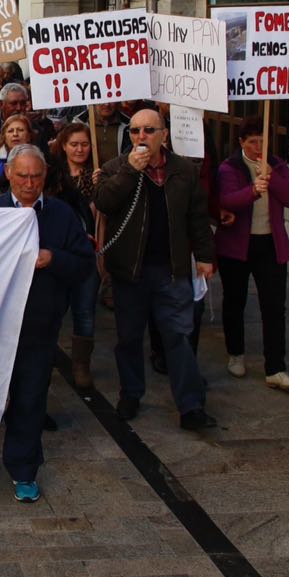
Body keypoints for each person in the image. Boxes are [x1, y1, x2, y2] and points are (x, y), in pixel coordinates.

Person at [0, 145, 95, 500]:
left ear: (45, 176)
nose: (29, 184)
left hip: (38, 326)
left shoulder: (61, 216)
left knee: (30, 398)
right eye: (22, 176)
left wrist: (54, 258)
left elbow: (84, 264)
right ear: (8, 174)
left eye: (36, 176)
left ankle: (23, 468)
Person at [93, 109, 217, 431]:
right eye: (134, 131)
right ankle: (131, 394)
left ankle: (191, 406)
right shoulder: (114, 168)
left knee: (179, 336)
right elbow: (104, 203)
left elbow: (197, 218)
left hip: (171, 270)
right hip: (130, 272)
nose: (141, 137)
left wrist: (204, 255)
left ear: (164, 134)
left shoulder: (184, 171)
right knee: (130, 337)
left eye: (149, 130)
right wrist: (129, 173)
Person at [216, 116, 289, 390]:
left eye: (262, 141)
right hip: (237, 245)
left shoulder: (276, 165)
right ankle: (236, 354)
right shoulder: (230, 167)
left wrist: (272, 177)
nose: (258, 147)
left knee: (274, 305)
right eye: (253, 142)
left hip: (269, 244)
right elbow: (226, 199)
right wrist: (253, 190)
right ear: (241, 142)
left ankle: (275, 367)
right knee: (235, 300)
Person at [45, 122, 101, 390]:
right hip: (59, 254)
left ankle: (81, 364)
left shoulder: (99, 174)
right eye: (74, 144)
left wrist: (104, 187)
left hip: (86, 253)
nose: (80, 149)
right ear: (63, 146)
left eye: (85, 144)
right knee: (53, 309)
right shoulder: (53, 176)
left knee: (85, 310)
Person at [0, 114, 33, 179]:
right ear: (4, 137)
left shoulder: (38, 158)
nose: (15, 134)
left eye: (20, 130)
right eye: (10, 131)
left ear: (29, 136)